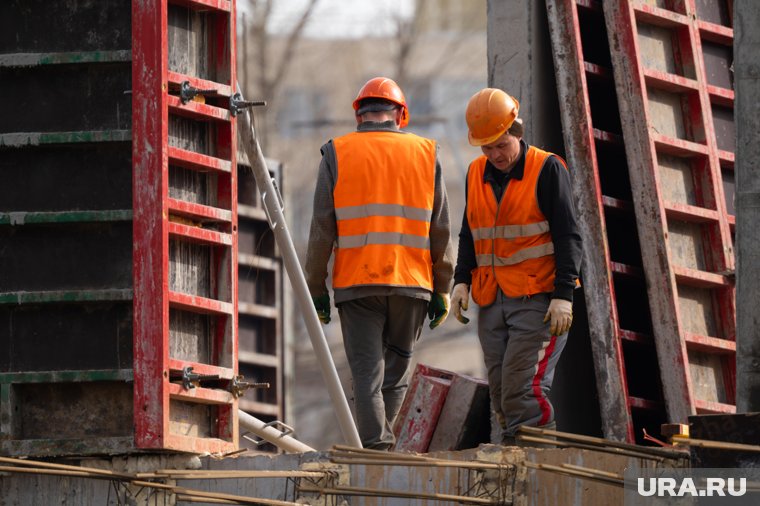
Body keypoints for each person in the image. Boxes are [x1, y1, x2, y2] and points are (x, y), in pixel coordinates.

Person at [305, 77, 455, 450]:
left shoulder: (336, 153)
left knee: (366, 376)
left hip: (357, 286)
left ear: (359, 115)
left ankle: (376, 453)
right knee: (397, 373)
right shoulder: (426, 152)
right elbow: (441, 229)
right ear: (400, 115)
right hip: (413, 284)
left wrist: (315, 288)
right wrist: (444, 288)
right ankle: (392, 452)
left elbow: (321, 230)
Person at [451, 88, 582, 445]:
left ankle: (538, 470)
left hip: (536, 300)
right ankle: (515, 467)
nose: (495, 155)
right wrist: (461, 280)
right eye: (487, 147)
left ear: (517, 131)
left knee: (522, 391)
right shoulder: (475, 173)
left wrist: (564, 295)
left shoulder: (547, 169)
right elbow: (469, 232)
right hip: (492, 300)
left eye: (501, 145)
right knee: (502, 394)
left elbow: (568, 235)